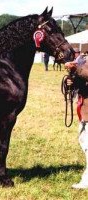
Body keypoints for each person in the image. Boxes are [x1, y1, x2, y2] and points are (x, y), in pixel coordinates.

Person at [65, 47, 88, 189]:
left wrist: (75, 68)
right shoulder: (84, 61)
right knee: (84, 141)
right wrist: (71, 82)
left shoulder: (82, 64)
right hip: (84, 109)